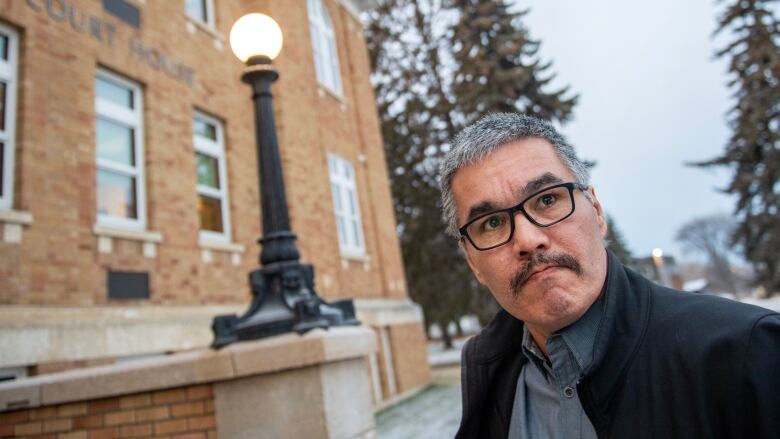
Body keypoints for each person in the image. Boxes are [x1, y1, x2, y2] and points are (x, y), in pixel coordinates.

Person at [439, 113, 780, 439]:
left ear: (597, 212)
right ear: (473, 263)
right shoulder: (490, 374)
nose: (528, 240)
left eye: (546, 200)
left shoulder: (747, 357)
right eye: (492, 224)